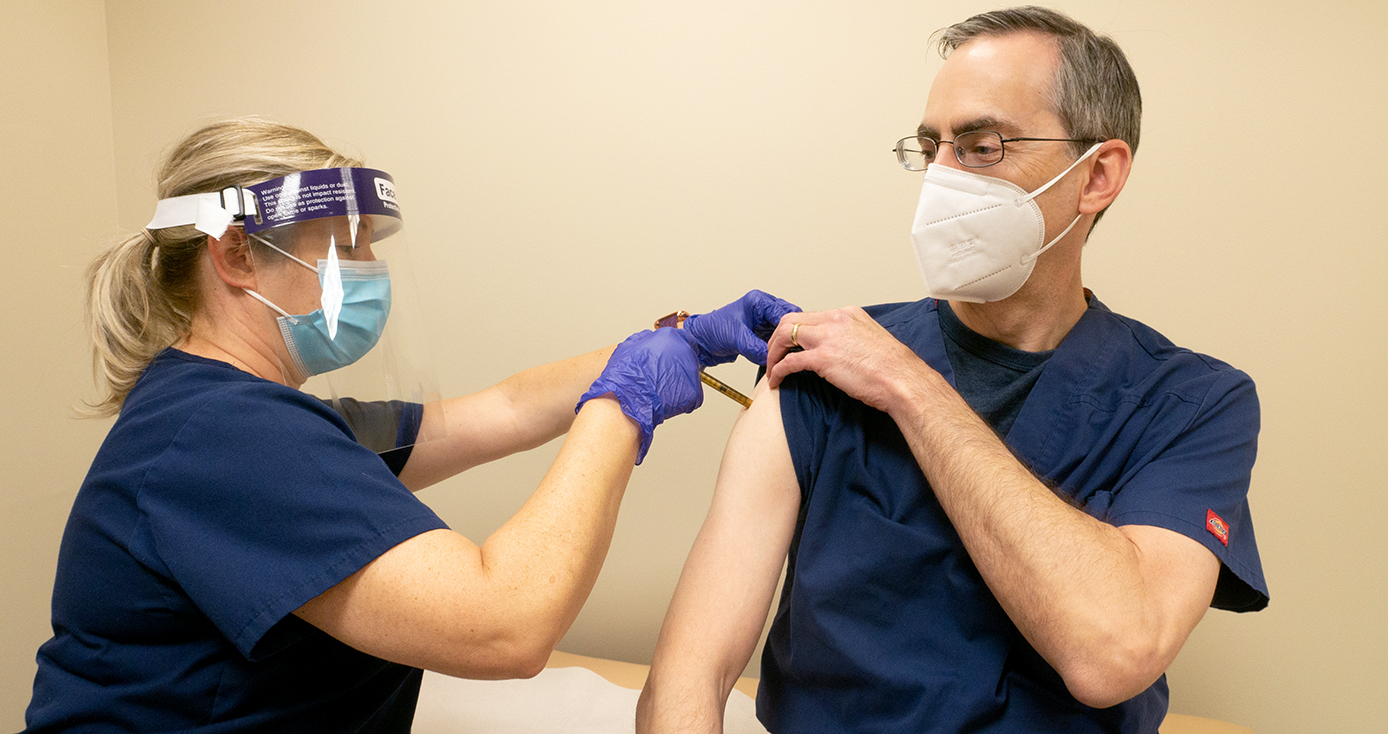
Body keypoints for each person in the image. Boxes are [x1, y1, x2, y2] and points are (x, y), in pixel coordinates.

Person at [23, 118, 798, 732]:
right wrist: (622, 405)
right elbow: (506, 623)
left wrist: (677, 338)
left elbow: (502, 409)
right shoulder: (227, 438)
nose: (368, 267)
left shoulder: (247, 416)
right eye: (345, 244)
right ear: (235, 255)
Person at [636, 7, 1268, 733]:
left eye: (981, 146)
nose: (938, 179)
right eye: (930, 147)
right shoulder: (819, 368)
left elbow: (1114, 653)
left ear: (1097, 175)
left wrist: (910, 387)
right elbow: (691, 670)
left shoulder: (1191, 403)